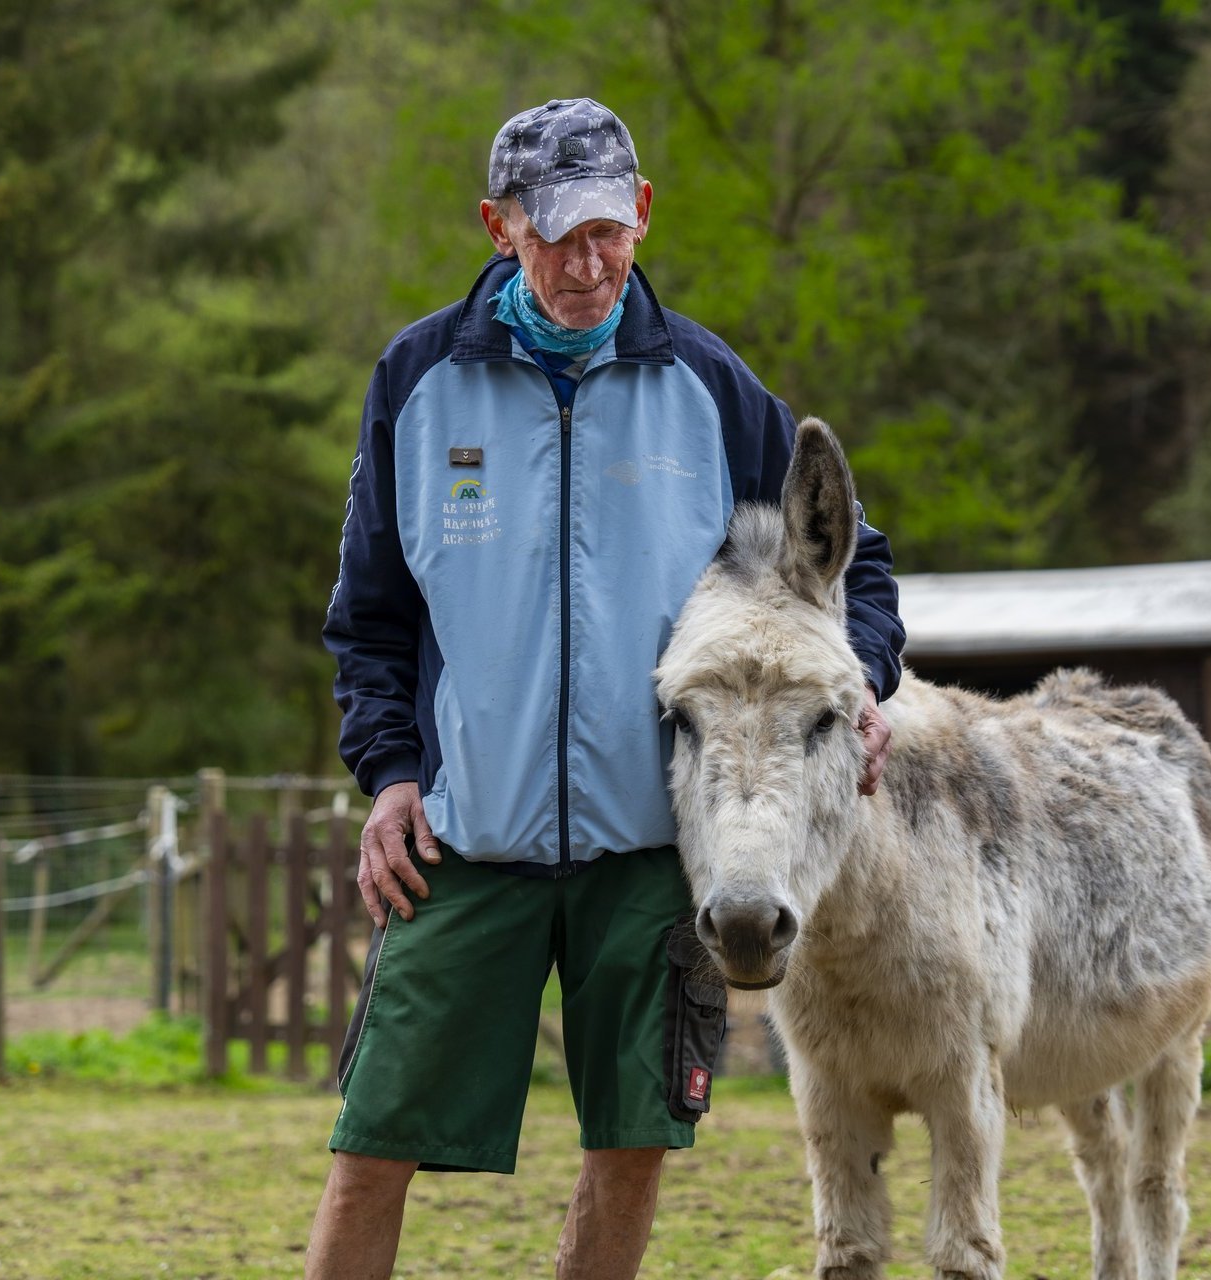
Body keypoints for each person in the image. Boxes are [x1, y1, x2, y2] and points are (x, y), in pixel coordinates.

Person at [304, 97, 905, 1280]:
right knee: (372, 1143)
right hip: (465, 840)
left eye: (608, 233)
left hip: (649, 844)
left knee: (629, 1144)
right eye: (554, 237)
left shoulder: (711, 386)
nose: (587, 265)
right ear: (498, 228)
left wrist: (862, 679)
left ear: (640, 213)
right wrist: (389, 774)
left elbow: (855, 567)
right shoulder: (418, 380)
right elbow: (371, 617)